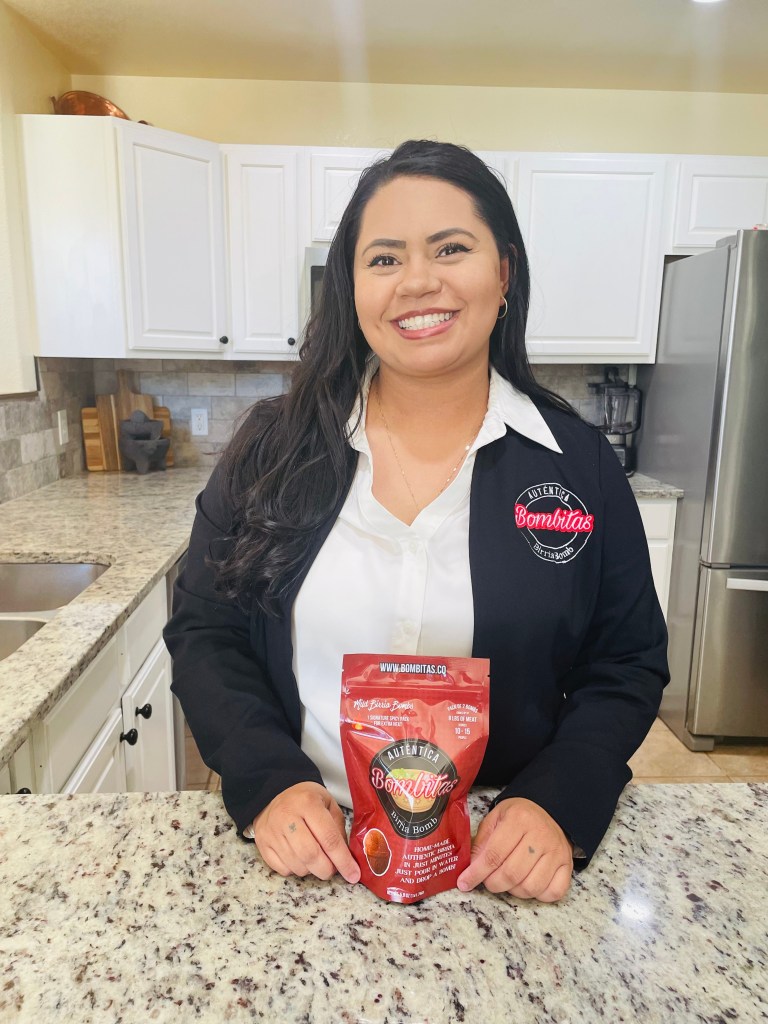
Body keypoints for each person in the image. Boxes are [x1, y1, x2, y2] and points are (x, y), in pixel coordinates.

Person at [164, 140, 669, 904]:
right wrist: (268, 781)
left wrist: (556, 798)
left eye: (450, 248)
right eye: (385, 259)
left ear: (502, 274)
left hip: (495, 858)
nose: (418, 282)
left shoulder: (578, 466)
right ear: (353, 288)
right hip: (311, 850)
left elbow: (626, 661)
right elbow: (207, 631)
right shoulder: (271, 449)